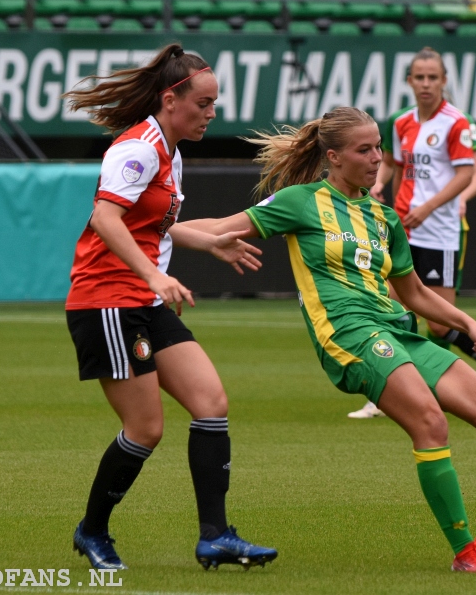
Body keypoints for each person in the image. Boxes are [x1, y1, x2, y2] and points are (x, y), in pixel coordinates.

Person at [182, 107, 476, 572]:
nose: (378, 157)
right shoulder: (300, 201)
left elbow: (414, 291)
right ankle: (466, 553)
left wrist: (467, 323)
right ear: (333, 157)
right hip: (349, 335)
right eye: (365, 150)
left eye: (379, 146)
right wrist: (152, 233)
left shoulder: (383, 216)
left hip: (399, 331)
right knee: (429, 421)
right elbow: (219, 228)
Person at [62, 43, 277, 571]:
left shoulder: (170, 151)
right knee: (146, 429)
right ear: (170, 98)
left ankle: (215, 537)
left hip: (141, 297)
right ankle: (92, 530)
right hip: (106, 302)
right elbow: (105, 220)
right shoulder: (136, 149)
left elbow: (154, 224)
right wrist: (157, 273)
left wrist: (210, 241)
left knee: (211, 402)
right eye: (203, 103)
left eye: (215, 104)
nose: (211, 113)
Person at [348, 47, 476, 420]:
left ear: (443, 81)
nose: (426, 83)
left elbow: (466, 175)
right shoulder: (399, 122)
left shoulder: (456, 122)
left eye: (433, 77)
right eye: (419, 77)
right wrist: (377, 187)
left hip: (440, 233)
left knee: (441, 325)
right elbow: (392, 166)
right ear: (409, 81)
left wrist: (428, 208)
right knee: (384, 305)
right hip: (401, 231)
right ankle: (387, 389)